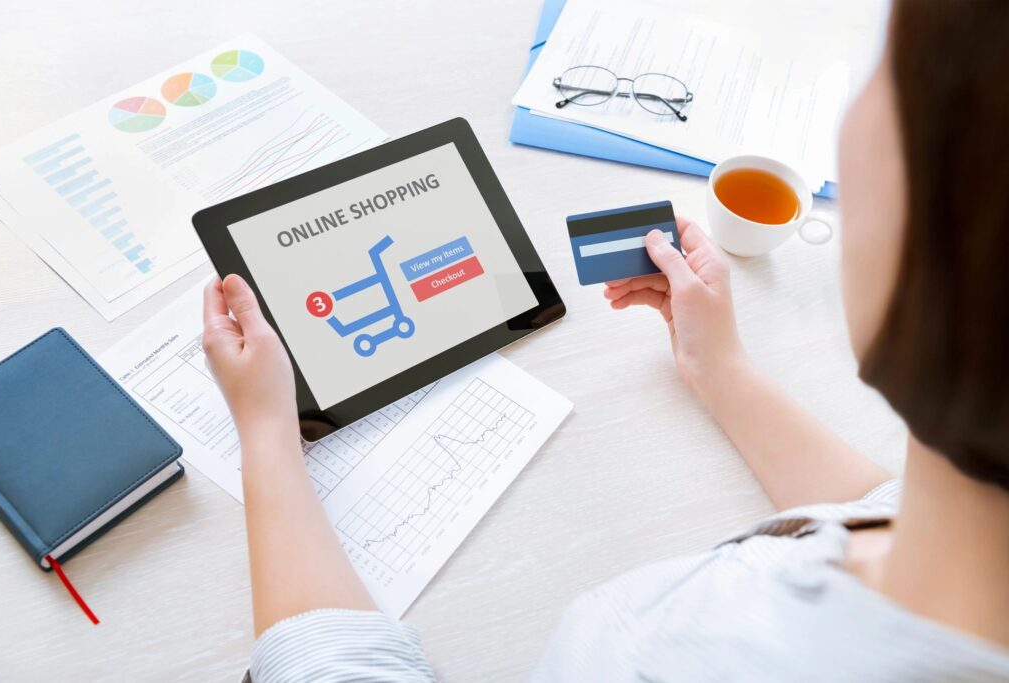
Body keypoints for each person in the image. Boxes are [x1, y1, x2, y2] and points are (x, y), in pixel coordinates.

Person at [201, 1, 1009, 680]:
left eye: (884, 78)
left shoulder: (651, 651)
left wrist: (270, 434)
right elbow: (907, 515)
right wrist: (720, 369)